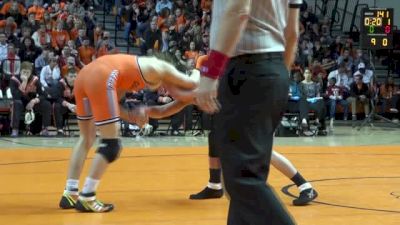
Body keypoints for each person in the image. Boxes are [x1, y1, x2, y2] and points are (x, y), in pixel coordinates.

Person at [189, 1, 302, 224]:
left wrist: (211, 73)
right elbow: (293, 32)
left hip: (245, 70)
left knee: (243, 181)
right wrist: (278, 76)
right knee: (244, 184)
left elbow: (239, 10)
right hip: (273, 70)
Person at [59, 54, 199, 213]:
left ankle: (70, 193)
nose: (161, 88)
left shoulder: (132, 74)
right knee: (111, 145)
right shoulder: (159, 66)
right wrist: (201, 69)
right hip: (101, 76)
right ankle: (87, 196)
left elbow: (115, 106)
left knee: (86, 138)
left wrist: (133, 116)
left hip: (84, 77)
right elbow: (193, 82)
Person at [190, 55, 318, 206]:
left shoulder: (242, 58)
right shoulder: (206, 59)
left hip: (252, 106)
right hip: (230, 108)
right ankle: (214, 185)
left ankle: (305, 186)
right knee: (214, 138)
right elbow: (195, 78)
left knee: (263, 151)